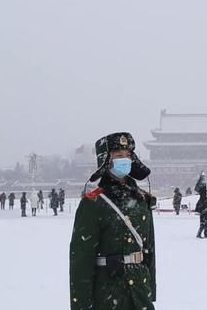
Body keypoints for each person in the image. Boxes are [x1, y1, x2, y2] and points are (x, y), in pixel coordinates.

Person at [70, 132, 156, 310]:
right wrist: (81, 305)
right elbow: (81, 260)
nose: (124, 160)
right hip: (108, 292)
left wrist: (150, 289)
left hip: (140, 292)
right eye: (118, 156)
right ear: (106, 161)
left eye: (127, 155)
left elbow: (149, 248)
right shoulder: (93, 203)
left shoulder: (141, 199)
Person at [194, 173, 207, 239]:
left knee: (206, 223)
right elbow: (206, 200)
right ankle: (200, 234)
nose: (206, 191)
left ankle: (205, 234)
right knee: (204, 224)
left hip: (206, 212)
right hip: (205, 212)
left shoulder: (203, 197)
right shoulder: (202, 198)